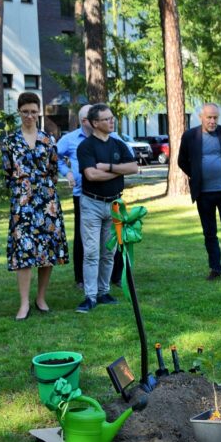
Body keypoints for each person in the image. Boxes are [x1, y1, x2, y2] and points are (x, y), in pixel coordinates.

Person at [1, 92, 69, 320]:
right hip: (22, 203)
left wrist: (42, 189)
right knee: (23, 252)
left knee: (46, 251)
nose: (29, 116)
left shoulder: (48, 139)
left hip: (46, 201)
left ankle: (41, 297)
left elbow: (53, 169)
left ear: (38, 112)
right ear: (19, 112)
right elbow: (7, 173)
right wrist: (23, 189)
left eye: (33, 111)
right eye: (25, 111)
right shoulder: (10, 141)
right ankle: (23, 303)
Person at [56, 105, 127, 290]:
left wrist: (112, 169)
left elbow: (131, 162)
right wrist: (67, 173)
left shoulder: (114, 138)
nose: (108, 121)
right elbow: (53, 156)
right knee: (85, 241)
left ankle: (114, 277)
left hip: (110, 196)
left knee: (111, 241)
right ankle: (82, 280)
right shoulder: (72, 140)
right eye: (89, 118)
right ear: (85, 122)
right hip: (83, 195)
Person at [75, 103, 138, 313]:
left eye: (112, 118)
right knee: (92, 252)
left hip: (114, 204)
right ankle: (90, 296)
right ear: (94, 123)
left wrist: (109, 167)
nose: (112, 121)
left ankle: (104, 292)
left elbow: (134, 167)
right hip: (91, 203)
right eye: (106, 119)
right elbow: (91, 175)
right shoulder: (86, 147)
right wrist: (120, 172)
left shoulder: (118, 144)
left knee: (108, 252)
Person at [178, 103, 221, 283]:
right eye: (209, 117)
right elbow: (182, 161)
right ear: (201, 118)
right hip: (203, 193)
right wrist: (197, 175)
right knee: (209, 232)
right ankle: (215, 268)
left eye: (215, 117)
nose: (213, 121)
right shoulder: (190, 136)